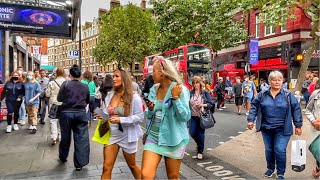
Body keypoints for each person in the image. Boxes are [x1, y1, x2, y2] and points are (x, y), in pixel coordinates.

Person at [247, 71, 303, 179]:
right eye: (274, 80)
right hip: (266, 128)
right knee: (269, 150)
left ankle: (280, 172)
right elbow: (254, 106)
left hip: (283, 129)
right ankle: (270, 168)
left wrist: (298, 125)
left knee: (280, 150)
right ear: (270, 82)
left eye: (279, 80)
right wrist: (250, 120)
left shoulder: (288, 94)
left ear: (282, 81)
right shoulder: (263, 94)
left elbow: (296, 109)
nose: (277, 82)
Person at [142, 56, 191, 179]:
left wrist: (176, 99)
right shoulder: (154, 89)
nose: (151, 74)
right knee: (145, 175)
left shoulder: (180, 89)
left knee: (173, 177)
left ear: (162, 73)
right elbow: (148, 115)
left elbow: (185, 117)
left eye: (153, 71)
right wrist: (151, 108)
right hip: (153, 137)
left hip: (174, 139)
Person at [98, 68, 144, 179]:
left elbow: (140, 117)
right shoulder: (110, 95)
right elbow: (107, 112)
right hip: (112, 134)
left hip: (127, 135)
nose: (113, 79)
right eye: (113, 76)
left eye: (117, 76)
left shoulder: (134, 97)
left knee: (132, 165)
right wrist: (102, 115)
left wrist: (121, 120)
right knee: (106, 167)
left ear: (124, 78)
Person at [57, 64, 90, 171]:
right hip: (80, 113)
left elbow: (59, 98)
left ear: (70, 75)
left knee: (65, 136)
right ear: (80, 75)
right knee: (81, 138)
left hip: (66, 112)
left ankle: (63, 156)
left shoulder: (65, 84)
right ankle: (80, 163)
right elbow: (88, 100)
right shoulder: (85, 86)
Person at [189, 76, 213, 160]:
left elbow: (210, 103)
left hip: (202, 116)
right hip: (192, 116)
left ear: (200, 83)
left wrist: (203, 105)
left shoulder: (205, 92)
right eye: (194, 83)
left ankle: (200, 151)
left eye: (197, 82)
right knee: (192, 132)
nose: (195, 85)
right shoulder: (190, 93)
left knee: (200, 134)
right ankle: (199, 144)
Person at [45, 68, 66, 145]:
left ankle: (54, 136)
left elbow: (48, 94)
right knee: (62, 121)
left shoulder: (52, 83)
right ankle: (61, 136)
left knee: (53, 120)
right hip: (64, 104)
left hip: (54, 103)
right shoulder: (66, 82)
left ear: (56, 73)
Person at [304, 85, 320, 178]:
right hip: (317, 128)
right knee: (318, 149)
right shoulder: (316, 94)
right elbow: (307, 110)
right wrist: (313, 121)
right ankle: (318, 167)